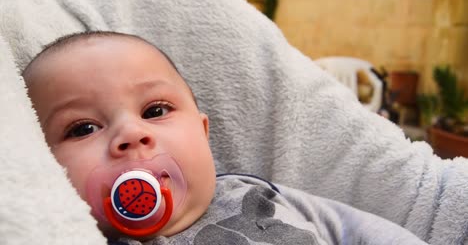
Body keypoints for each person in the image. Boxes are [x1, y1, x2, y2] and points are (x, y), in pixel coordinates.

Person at [22, 31, 426, 245]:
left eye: (155, 111)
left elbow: (360, 232)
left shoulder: (257, 195)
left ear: (203, 133)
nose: (131, 134)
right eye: (83, 129)